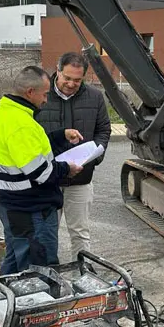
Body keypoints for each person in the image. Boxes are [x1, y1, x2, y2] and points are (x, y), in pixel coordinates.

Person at [0, 65, 83, 274]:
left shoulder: (5, 113)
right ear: (31, 92)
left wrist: (60, 135)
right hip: (32, 211)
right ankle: (38, 304)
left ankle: (8, 304)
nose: (46, 99)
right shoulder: (21, 123)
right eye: (45, 94)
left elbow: (28, 152)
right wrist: (67, 168)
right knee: (40, 270)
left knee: (14, 265)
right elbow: (41, 173)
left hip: (13, 206)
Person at [34, 52, 111, 260]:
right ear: (58, 71)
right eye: (67, 78)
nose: (71, 83)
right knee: (45, 234)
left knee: (80, 233)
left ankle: (83, 272)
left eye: (77, 80)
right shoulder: (40, 95)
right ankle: (47, 276)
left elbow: (103, 130)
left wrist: (95, 156)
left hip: (81, 179)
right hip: (48, 180)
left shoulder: (95, 97)